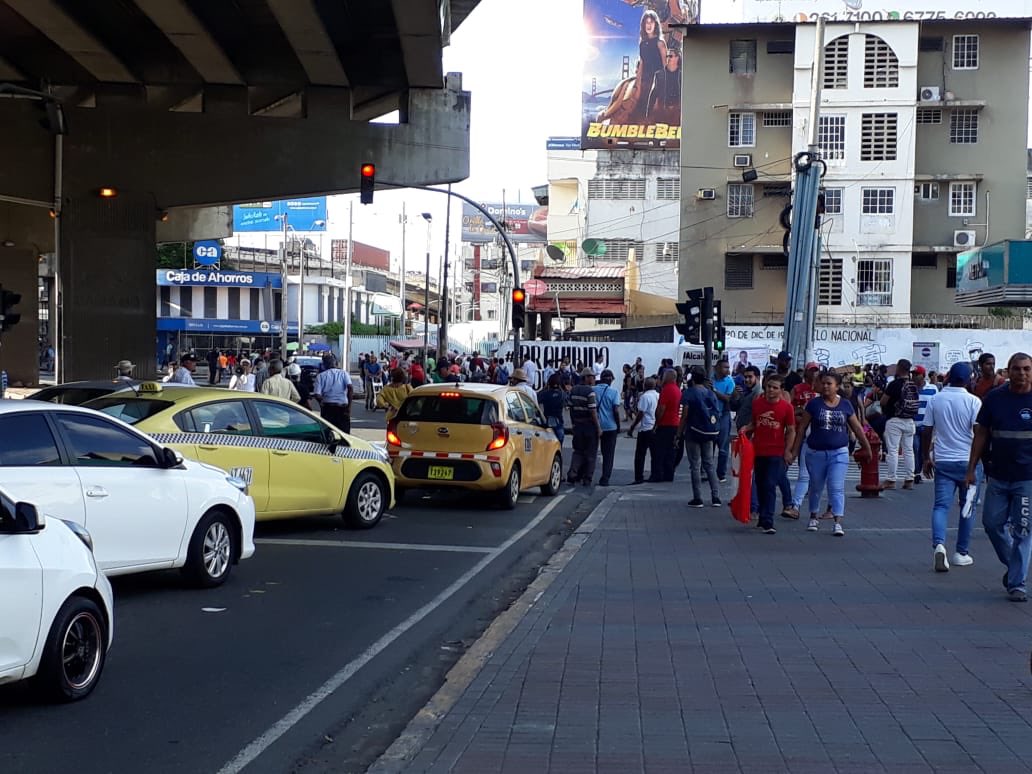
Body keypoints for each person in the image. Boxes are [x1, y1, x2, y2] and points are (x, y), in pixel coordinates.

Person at [966, 353, 1032, 601]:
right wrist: (971, 468)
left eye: (1027, 369)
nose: (1022, 374)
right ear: (1009, 370)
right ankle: (1015, 565)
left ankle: (1017, 583)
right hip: (998, 476)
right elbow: (981, 434)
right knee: (992, 524)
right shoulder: (995, 399)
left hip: (1027, 478)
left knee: (1023, 531)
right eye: (1017, 369)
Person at [790, 372, 873, 537]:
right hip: (815, 452)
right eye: (824, 383)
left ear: (837, 386)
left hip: (839, 452)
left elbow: (857, 427)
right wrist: (794, 451)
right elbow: (801, 429)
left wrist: (867, 447)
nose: (826, 386)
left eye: (829, 383)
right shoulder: (813, 405)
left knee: (836, 487)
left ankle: (837, 521)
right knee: (815, 487)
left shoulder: (845, 405)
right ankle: (813, 516)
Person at [922, 362, 982, 573]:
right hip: (968, 461)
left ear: (948, 377)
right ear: (969, 379)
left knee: (940, 506)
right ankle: (961, 552)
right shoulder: (974, 401)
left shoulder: (936, 400)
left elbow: (927, 430)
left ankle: (939, 544)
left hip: (944, 460)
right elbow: (979, 434)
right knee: (967, 508)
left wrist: (926, 458)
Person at [743, 373, 795, 534]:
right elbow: (754, 423)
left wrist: (788, 450)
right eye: (769, 386)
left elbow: (791, 430)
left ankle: (768, 520)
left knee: (770, 484)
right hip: (758, 450)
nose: (770, 390)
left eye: (775, 387)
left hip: (776, 451)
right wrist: (746, 430)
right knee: (760, 483)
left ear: (781, 390)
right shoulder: (758, 403)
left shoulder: (786, 408)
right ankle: (762, 516)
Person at [679, 367, 721, 508]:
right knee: (709, 464)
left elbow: (684, 415)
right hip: (709, 431)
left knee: (695, 465)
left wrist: (679, 433)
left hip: (693, 431)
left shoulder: (688, 393)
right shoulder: (710, 393)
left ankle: (698, 498)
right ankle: (716, 497)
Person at [881, 358, 920, 490]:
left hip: (895, 419)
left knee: (893, 450)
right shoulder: (913, 385)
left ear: (899, 368)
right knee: (909, 451)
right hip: (910, 420)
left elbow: (883, 401)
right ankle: (909, 479)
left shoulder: (894, 384)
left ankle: (891, 479)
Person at [567, 368, 602, 486]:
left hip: (578, 424)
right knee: (591, 453)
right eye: (591, 377)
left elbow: (571, 408)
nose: (593, 379)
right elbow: (593, 412)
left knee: (578, 451)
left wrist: (573, 423)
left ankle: (573, 473)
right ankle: (587, 478)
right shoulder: (590, 392)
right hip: (589, 426)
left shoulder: (573, 390)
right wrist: (598, 428)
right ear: (586, 378)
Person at [593, 369, 621, 487]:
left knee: (591, 451)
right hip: (610, 426)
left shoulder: (593, 390)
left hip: (595, 425)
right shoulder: (614, 392)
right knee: (608, 454)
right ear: (610, 380)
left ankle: (586, 475)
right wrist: (618, 425)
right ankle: (605, 478)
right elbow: (615, 410)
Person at [911, 366, 939, 483]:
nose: (914, 377)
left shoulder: (932, 389)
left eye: (916, 374)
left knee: (924, 449)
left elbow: (936, 405)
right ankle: (916, 472)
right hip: (913, 424)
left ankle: (921, 469)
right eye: (913, 374)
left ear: (923, 375)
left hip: (927, 425)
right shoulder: (910, 389)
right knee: (915, 448)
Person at [629, 377, 659, 485]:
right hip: (654, 427)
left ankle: (639, 477)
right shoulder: (658, 395)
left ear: (645, 385)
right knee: (655, 453)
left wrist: (632, 427)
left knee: (640, 454)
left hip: (645, 428)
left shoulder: (645, 397)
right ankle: (655, 474)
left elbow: (640, 414)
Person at [313, 354, 353, 433]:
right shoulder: (344, 374)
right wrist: (349, 407)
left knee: (328, 435)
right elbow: (350, 388)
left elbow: (317, 394)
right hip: (342, 408)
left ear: (324, 365)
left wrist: (321, 403)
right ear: (336, 363)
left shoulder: (320, 376)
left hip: (328, 409)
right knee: (344, 436)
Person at [711, 358, 735, 482]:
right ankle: (708, 471)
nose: (728, 370)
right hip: (711, 415)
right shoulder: (710, 379)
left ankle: (721, 473)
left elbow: (727, 398)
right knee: (710, 445)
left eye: (728, 367)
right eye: (725, 367)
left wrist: (714, 391)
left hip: (723, 415)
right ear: (717, 368)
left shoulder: (730, 381)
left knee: (723, 446)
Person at [645, 45, 681, 124]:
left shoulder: (682, 75)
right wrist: (648, 113)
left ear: (677, 57)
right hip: (663, 112)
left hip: (678, 112)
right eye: (667, 56)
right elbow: (653, 94)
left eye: (670, 56)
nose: (668, 58)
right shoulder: (659, 74)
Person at [537, 373, 567, 445]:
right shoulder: (562, 394)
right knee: (559, 443)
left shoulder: (545, 394)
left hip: (547, 421)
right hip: (559, 421)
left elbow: (536, 398)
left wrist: (544, 388)